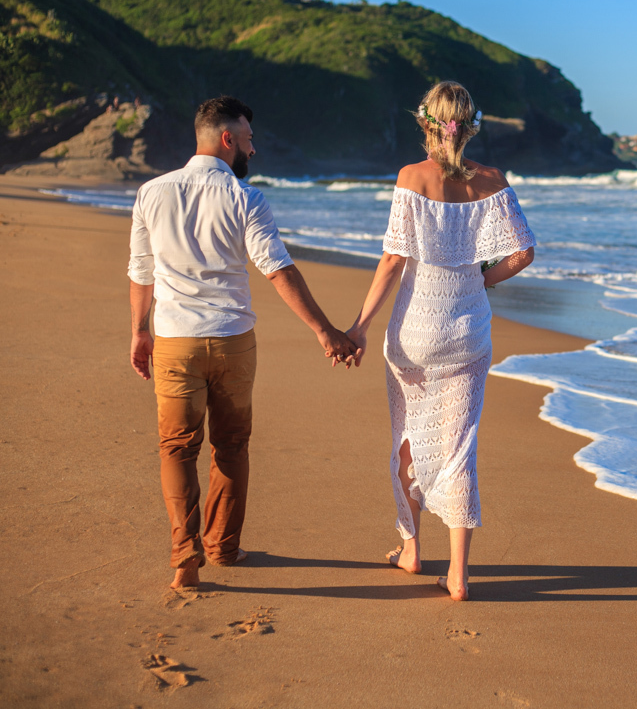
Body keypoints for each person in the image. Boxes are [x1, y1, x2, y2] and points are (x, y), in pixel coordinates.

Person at [128, 95, 358, 589]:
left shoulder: (151, 193)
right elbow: (277, 270)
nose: (252, 151)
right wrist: (325, 331)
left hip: (174, 340)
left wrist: (139, 332)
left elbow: (141, 273)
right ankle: (223, 549)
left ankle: (185, 557)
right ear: (227, 138)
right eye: (249, 140)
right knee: (230, 447)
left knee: (176, 448)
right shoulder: (245, 199)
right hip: (232, 342)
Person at [346, 81, 535, 601]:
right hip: (468, 333)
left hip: (414, 332)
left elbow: (393, 259)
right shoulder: (493, 181)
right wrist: (480, 280)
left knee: (407, 437)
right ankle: (458, 575)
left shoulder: (411, 177)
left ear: (426, 122)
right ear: (468, 126)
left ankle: (410, 549)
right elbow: (523, 253)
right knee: (459, 449)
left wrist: (358, 327)